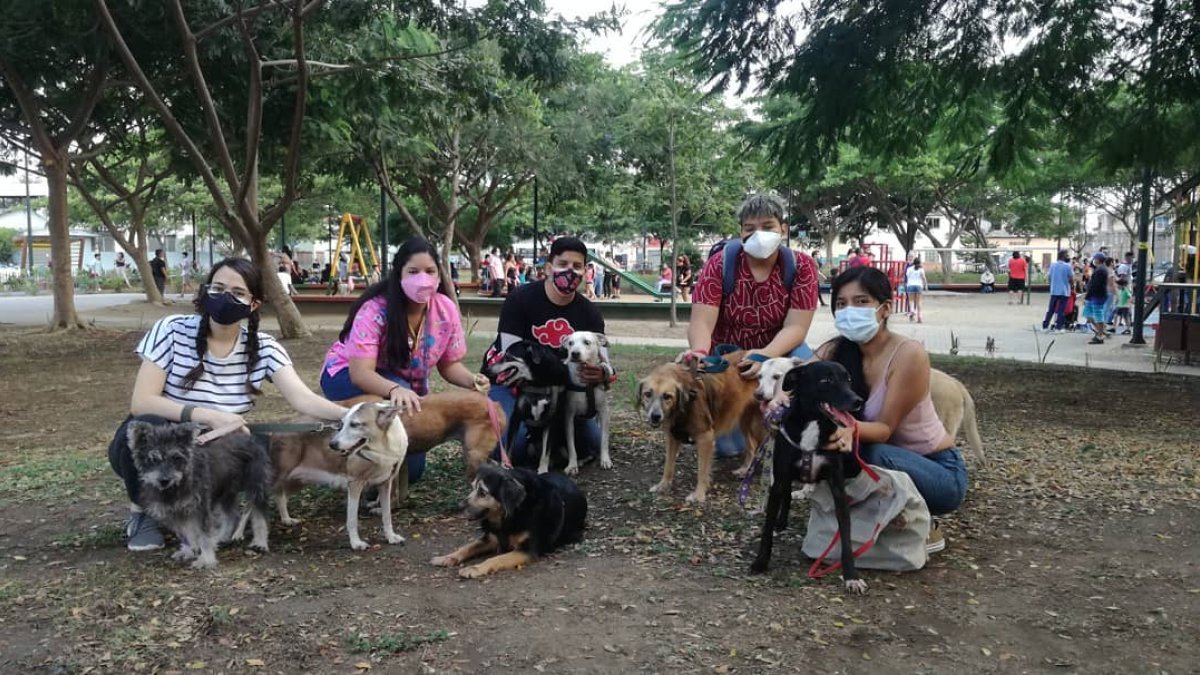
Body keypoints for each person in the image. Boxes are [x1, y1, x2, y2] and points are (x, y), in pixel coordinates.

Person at [108, 257, 347, 552]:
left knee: (261, 446)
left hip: (214, 445)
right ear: (205, 291)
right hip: (166, 437)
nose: (224, 298)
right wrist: (211, 416)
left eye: (237, 293)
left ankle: (205, 509)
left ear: (254, 304)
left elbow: (303, 398)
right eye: (217, 288)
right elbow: (142, 402)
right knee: (150, 428)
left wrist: (351, 415)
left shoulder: (264, 348)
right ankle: (142, 513)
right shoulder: (170, 330)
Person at [818, 266, 968, 550]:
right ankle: (875, 517)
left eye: (861, 301)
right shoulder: (834, 351)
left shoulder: (908, 354)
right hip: (887, 464)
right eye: (841, 303)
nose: (849, 310)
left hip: (939, 473)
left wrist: (848, 429)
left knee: (868, 451)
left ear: (885, 308)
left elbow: (884, 431)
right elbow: (802, 380)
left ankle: (922, 521)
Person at [320, 238, 486, 483]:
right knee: (390, 417)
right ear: (398, 274)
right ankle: (357, 467)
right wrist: (395, 388)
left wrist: (473, 380)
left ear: (440, 275)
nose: (423, 278)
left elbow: (448, 365)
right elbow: (361, 373)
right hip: (346, 376)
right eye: (413, 271)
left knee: (412, 470)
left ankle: (377, 467)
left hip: (401, 388)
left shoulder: (445, 309)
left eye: (430, 271)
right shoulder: (374, 310)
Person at [683, 193, 819, 457]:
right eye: (750, 228)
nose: (759, 234)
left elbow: (796, 327)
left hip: (780, 349)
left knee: (810, 377)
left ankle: (801, 435)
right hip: (728, 357)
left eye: (768, 226)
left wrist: (763, 356)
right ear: (740, 232)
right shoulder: (720, 264)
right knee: (727, 447)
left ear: (783, 229)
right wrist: (700, 353)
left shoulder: (802, 266)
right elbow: (701, 320)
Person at [481, 236, 611, 465]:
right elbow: (508, 352)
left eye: (577, 266)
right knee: (510, 449)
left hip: (563, 390)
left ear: (584, 272)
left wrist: (602, 373)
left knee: (591, 444)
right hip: (513, 386)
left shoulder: (589, 312)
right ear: (549, 267)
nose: (570, 271)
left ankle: (549, 437)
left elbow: (606, 364)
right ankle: (531, 434)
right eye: (563, 264)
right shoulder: (519, 299)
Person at [1043, 249, 1073, 333]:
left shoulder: (1053, 265)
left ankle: (1045, 326)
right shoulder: (1068, 266)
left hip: (1054, 290)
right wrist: (1071, 284)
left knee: (1051, 309)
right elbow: (1071, 278)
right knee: (1061, 310)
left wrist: (1051, 284)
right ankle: (1058, 328)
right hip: (1064, 291)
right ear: (1064, 256)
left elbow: (1049, 276)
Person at [1083, 254, 1110, 344]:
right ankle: (1101, 330)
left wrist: (1087, 296)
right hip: (1097, 295)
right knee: (1088, 314)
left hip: (1097, 295)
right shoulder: (1101, 269)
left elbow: (1095, 284)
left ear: (1098, 260)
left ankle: (1100, 333)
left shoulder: (1100, 270)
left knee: (1097, 314)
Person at [904, 258, 928, 322]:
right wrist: (926, 286)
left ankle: (912, 310)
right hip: (918, 286)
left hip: (910, 285)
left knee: (911, 301)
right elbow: (923, 278)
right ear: (919, 263)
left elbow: (907, 276)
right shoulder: (921, 269)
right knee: (919, 302)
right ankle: (919, 317)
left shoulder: (909, 269)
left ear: (913, 263)